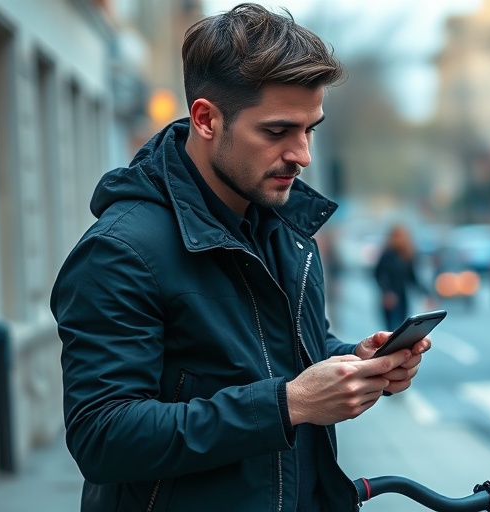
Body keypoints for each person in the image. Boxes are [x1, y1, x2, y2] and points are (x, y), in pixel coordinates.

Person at [50, 4, 430, 511]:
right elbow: (102, 435)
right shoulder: (120, 251)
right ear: (206, 119)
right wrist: (289, 404)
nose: (302, 154)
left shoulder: (285, 228)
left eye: (309, 128)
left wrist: (354, 362)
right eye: (277, 132)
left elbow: (270, 356)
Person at [373, 223, 435, 330]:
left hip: (402, 298)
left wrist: (427, 294)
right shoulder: (387, 255)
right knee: (390, 330)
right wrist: (386, 292)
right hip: (389, 299)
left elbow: (413, 278)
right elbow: (378, 275)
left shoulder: (407, 256)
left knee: (401, 328)